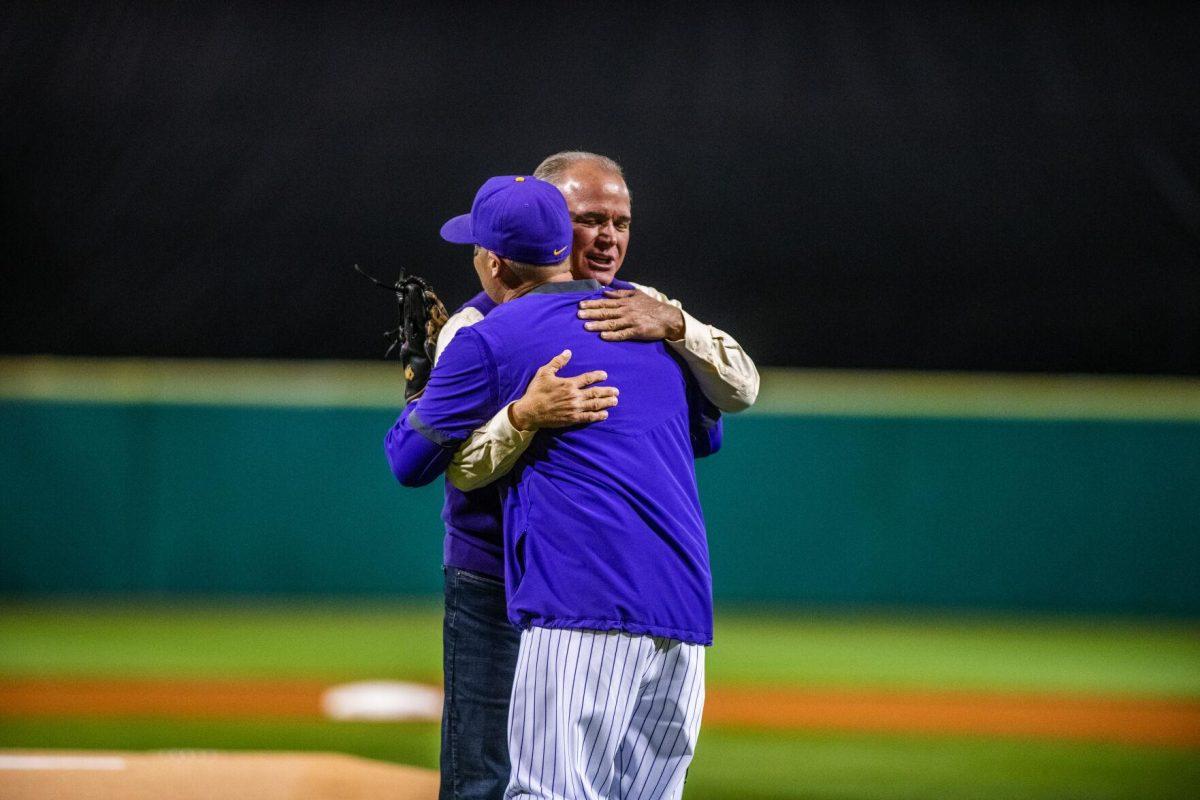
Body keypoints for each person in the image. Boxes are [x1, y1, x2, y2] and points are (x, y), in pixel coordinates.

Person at [429, 153, 759, 800]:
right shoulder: (480, 327)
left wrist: (678, 324)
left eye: (621, 221)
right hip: (494, 572)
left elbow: (731, 401)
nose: (609, 237)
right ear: (550, 224)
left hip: (604, 582)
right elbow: (451, 462)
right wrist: (522, 416)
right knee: (486, 779)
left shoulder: (646, 314)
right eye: (589, 220)